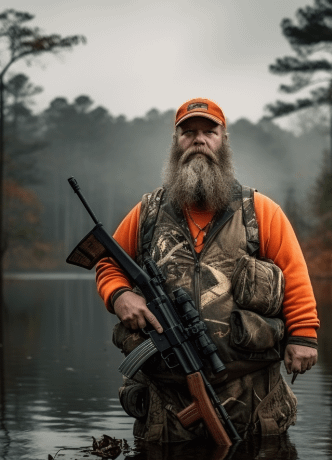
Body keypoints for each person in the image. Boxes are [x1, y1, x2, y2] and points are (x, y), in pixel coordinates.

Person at [96, 97, 319, 442]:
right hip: (166, 405)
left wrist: (303, 335)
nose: (198, 140)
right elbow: (108, 261)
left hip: (253, 399)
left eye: (209, 132)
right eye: (188, 133)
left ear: (223, 141)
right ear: (176, 143)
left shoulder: (260, 210)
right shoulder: (147, 213)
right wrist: (120, 294)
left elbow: (295, 274)